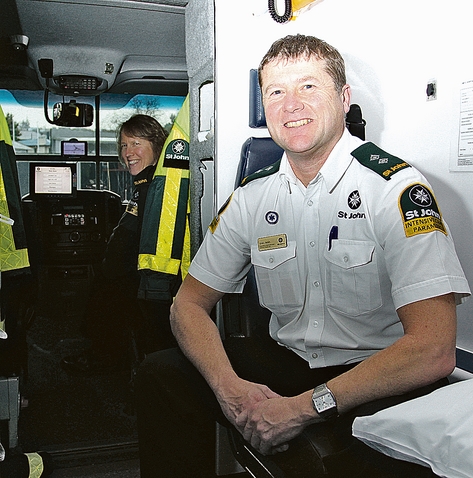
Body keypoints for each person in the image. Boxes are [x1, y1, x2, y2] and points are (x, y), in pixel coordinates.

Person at [135, 34, 471, 478]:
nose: (291, 104)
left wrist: (301, 410)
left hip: (374, 374)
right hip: (288, 359)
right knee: (161, 374)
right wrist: (231, 391)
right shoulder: (252, 197)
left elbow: (433, 349)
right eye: (276, 91)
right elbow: (187, 305)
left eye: (308, 86)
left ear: (343, 98)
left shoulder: (395, 190)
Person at [62, 114, 177, 375]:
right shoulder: (145, 184)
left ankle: (105, 358)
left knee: (107, 294)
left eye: (136, 144)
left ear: (156, 146)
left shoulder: (154, 187)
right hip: (131, 274)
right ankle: (105, 354)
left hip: (146, 280)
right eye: (124, 145)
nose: (128, 153)